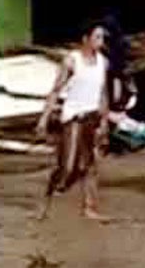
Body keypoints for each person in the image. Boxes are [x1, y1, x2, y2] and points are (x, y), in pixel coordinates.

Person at [35, 23, 110, 221]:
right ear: (85, 39)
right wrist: (44, 117)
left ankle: (89, 207)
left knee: (90, 165)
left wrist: (104, 121)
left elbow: (103, 93)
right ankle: (47, 198)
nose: (101, 42)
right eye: (97, 37)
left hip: (92, 116)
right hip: (73, 118)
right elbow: (56, 90)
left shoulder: (103, 62)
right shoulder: (72, 61)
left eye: (102, 38)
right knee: (68, 166)